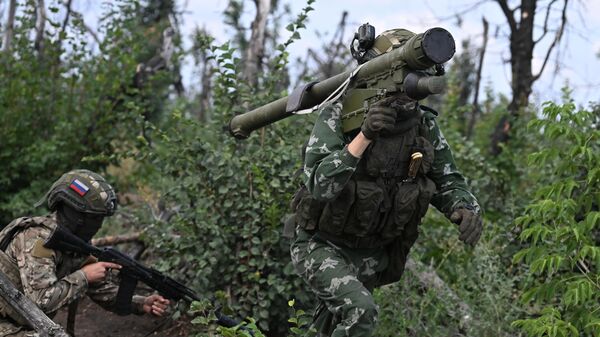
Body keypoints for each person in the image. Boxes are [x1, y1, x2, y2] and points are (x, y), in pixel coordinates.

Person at [288, 28, 483, 337]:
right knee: (359, 312)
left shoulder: (423, 125)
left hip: (371, 254)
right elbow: (319, 185)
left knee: (328, 328)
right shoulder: (341, 115)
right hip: (322, 244)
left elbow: (449, 180)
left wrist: (465, 208)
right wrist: (364, 135)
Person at [0, 169, 170, 337]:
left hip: (24, 325)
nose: (99, 225)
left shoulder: (73, 242)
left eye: (101, 218)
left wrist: (141, 303)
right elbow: (41, 301)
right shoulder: (37, 239)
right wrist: (84, 276)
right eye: (95, 218)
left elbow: (100, 290)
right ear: (74, 213)